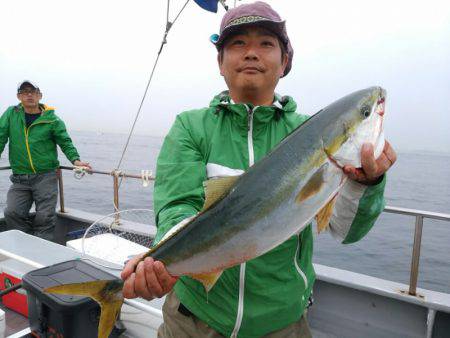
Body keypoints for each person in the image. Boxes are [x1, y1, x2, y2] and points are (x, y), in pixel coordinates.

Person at [121, 2, 397, 337]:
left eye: (266, 43)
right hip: (192, 321)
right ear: (220, 63)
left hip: (282, 324)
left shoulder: (306, 131)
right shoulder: (192, 127)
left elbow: (345, 231)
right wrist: (162, 264)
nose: (251, 52)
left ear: (285, 63)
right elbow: (176, 206)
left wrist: (365, 183)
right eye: (238, 44)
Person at [0, 80, 91, 241]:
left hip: (45, 177)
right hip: (20, 178)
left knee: (45, 218)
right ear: (19, 96)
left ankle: (40, 250)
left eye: (33, 91)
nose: (29, 94)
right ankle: (26, 242)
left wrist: (75, 160)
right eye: (25, 91)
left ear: (40, 96)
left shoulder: (52, 120)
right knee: (12, 212)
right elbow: (0, 137)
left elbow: (65, 142)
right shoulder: (11, 114)